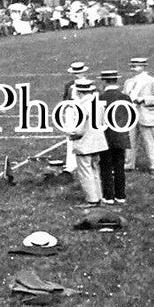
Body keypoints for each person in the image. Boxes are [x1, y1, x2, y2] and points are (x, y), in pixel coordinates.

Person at [64, 78, 108, 209]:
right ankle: (99, 196)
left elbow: (79, 128)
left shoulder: (81, 107)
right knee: (95, 170)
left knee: (85, 172)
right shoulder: (98, 104)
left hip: (85, 142)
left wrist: (71, 134)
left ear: (79, 92)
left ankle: (92, 199)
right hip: (98, 142)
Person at [124, 56, 154, 173]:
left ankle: (153, 166)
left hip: (146, 115)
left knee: (149, 141)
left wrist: (143, 99)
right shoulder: (129, 82)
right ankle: (128, 164)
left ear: (143, 67)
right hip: (131, 115)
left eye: (136, 65)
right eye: (132, 65)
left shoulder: (152, 81)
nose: (133, 67)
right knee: (129, 141)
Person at [97, 70, 131, 204]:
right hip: (121, 135)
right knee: (119, 166)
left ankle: (108, 195)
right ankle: (121, 195)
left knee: (106, 166)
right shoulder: (125, 97)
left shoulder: (100, 98)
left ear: (104, 82)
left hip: (105, 137)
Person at [62, 61, 89, 173]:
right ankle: (71, 163)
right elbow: (64, 100)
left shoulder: (88, 84)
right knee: (71, 136)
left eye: (79, 72)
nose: (77, 75)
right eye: (76, 73)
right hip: (71, 111)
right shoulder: (69, 85)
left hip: (84, 110)